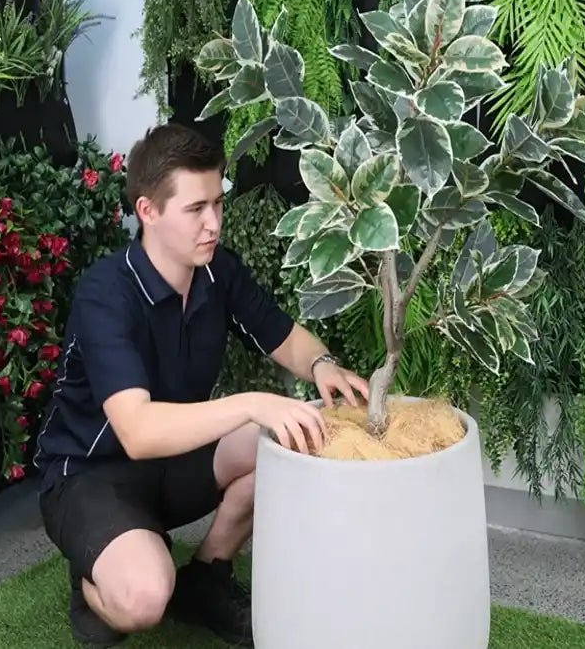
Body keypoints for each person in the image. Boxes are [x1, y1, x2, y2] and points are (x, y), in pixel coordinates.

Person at [32, 123, 370, 647]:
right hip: (91, 476)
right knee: (143, 597)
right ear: (148, 211)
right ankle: (94, 575)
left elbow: (282, 336)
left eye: (217, 202)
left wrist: (323, 364)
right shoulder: (106, 294)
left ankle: (206, 576)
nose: (213, 223)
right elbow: (139, 431)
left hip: (178, 461)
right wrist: (254, 402)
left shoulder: (216, 271)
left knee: (303, 438)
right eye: (195, 209)